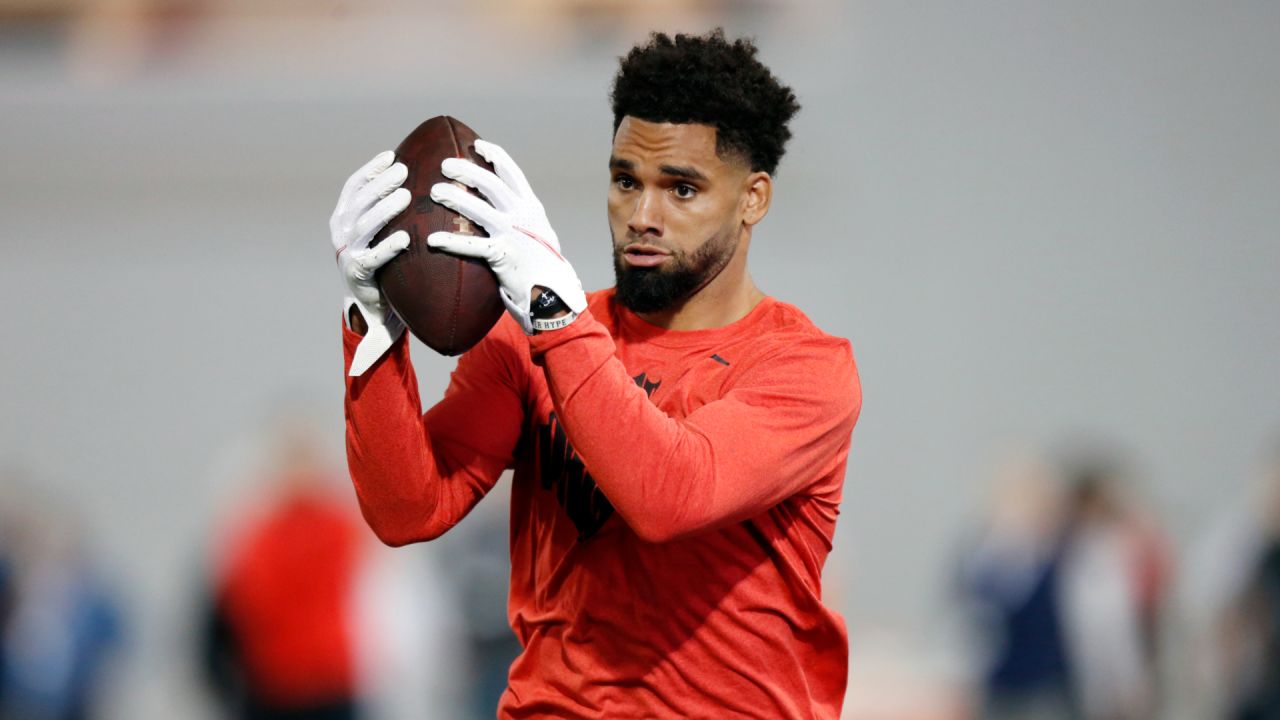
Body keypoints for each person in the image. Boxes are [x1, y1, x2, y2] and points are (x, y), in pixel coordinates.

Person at [330, 30, 862, 719]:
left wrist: (553, 315)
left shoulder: (804, 368)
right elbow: (408, 510)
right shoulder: (538, 337)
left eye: (682, 188)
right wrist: (371, 329)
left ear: (753, 198)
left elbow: (669, 496)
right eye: (625, 181)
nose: (643, 216)